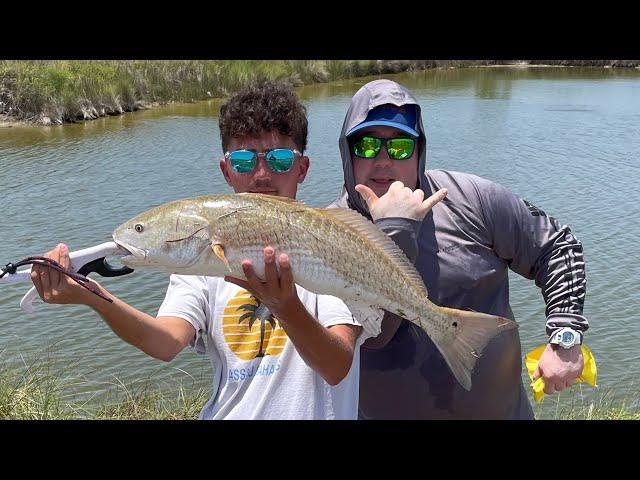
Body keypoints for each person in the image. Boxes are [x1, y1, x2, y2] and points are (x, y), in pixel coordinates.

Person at [30, 79, 368, 420]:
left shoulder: (334, 246)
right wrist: (93, 296)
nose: (261, 174)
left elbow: (336, 366)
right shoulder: (198, 259)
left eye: (280, 159)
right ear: (226, 171)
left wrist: (286, 306)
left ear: (302, 168)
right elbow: (165, 343)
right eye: (243, 161)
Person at [329, 79, 588, 419]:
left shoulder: (471, 198)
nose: (382, 160)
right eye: (366, 145)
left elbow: (557, 246)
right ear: (347, 153)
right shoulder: (327, 232)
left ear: (419, 151)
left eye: (400, 147)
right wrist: (396, 231)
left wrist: (565, 336)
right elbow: (372, 334)